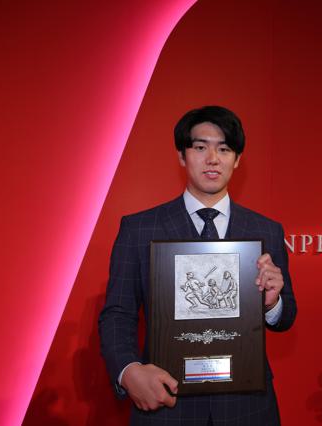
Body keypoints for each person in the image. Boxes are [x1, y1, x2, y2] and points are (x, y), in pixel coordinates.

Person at [98, 105, 297, 426]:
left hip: (247, 408)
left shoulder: (266, 230)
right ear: (182, 155)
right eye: (201, 147)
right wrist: (128, 370)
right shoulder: (139, 229)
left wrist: (272, 304)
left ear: (237, 159)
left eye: (224, 149)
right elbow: (118, 314)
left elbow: (285, 318)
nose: (213, 159)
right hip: (167, 404)